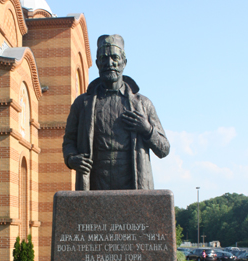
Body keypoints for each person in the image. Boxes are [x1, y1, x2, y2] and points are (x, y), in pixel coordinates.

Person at [63, 34, 170, 190]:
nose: (109, 63)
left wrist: (146, 129)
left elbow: (164, 149)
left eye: (114, 57)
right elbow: (68, 141)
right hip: (95, 182)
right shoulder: (82, 103)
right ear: (98, 63)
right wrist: (71, 158)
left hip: (133, 182)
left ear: (124, 62)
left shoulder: (143, 103)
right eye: (104, 58)